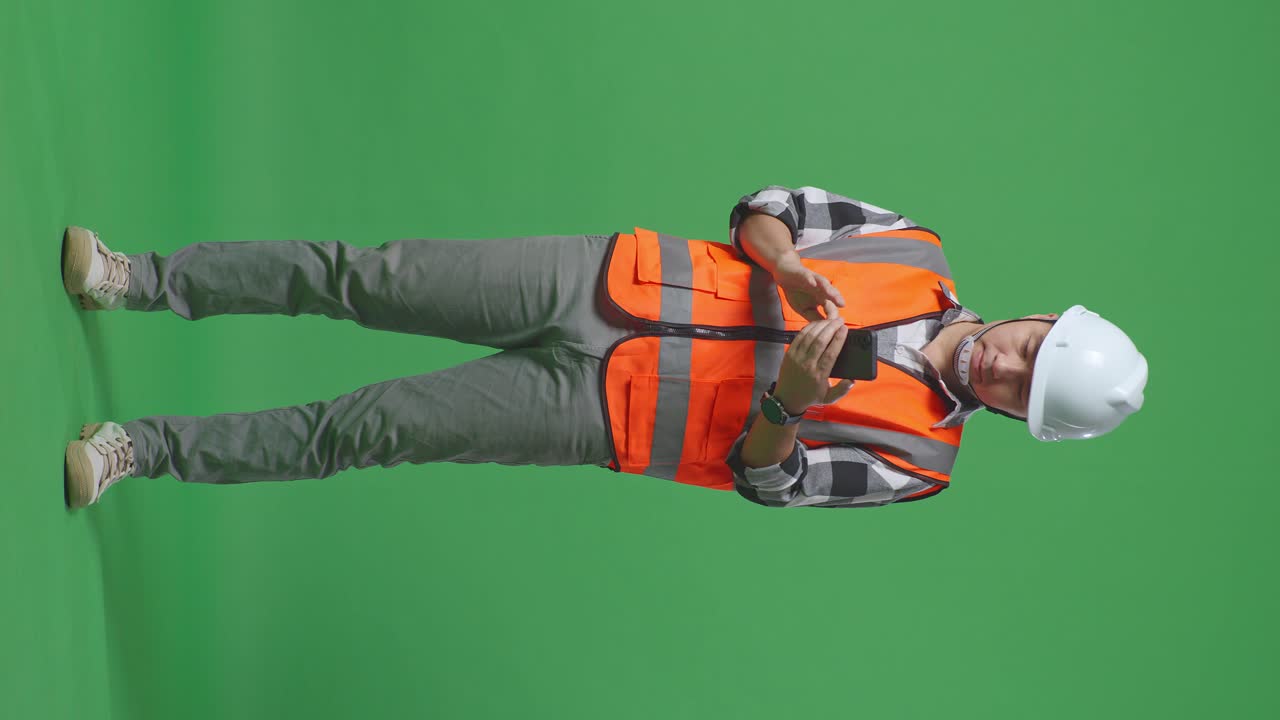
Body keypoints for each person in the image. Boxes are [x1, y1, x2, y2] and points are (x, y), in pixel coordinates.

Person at [61, 185, 1148, 510]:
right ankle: (137, 279)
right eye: (1028, 347)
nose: (1004, 365)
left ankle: (139, 451)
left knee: (369, 428)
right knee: (365, 275)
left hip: (601, 414)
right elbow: (763, 204)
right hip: (603, 275)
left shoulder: (919, 466)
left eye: (1020, 387)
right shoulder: (914, 247)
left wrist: (784, 401)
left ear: (1015, 417)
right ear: (1040, 317)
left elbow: (769, 483)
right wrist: (780, 266)